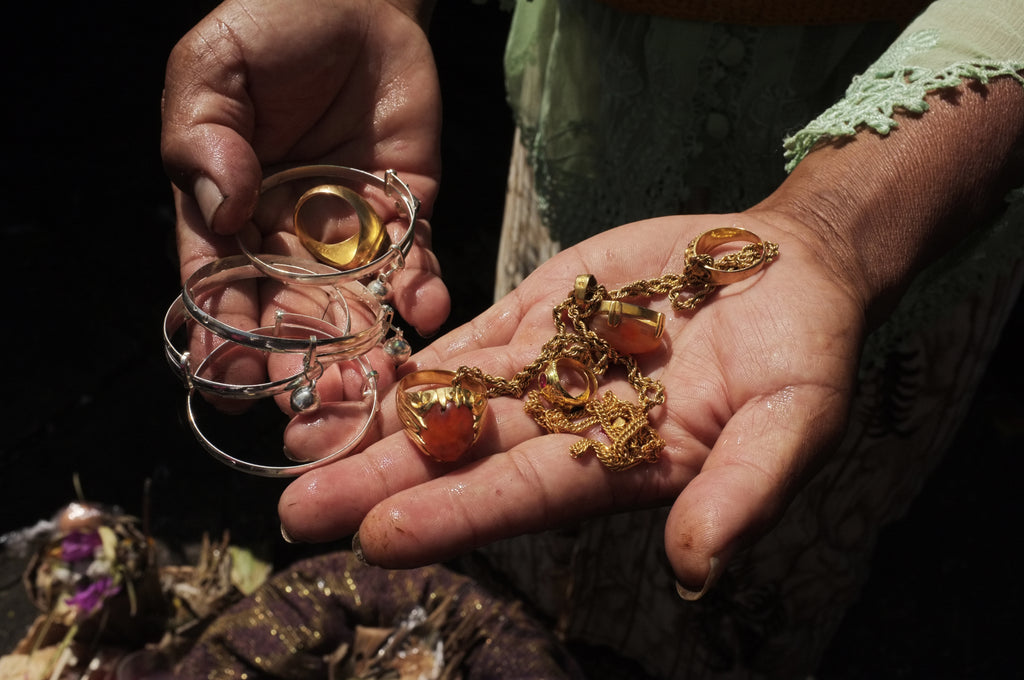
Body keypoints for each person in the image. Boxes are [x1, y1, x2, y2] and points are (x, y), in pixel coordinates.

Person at [161, 0, 1024, 676]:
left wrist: (841, 228)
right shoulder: (579, 338)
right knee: (502, 522)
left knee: (755, 555)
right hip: (597, 104)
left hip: (928, 158)